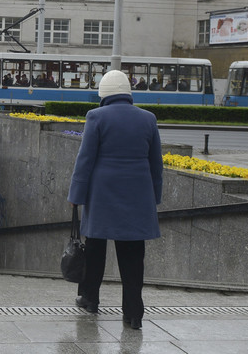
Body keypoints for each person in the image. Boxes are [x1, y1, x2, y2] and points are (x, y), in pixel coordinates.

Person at [68, 70, 162, 331]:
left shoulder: (96, 116)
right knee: (133, 256)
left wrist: (75, 196)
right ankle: (133, 314)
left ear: (104, 93)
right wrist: (154, 197)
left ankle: (90, 299)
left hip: (102, 195)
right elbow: (156, 163)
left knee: (95, 249)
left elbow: (84, 160)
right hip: (138, 196)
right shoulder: (148, 119)